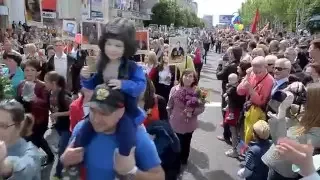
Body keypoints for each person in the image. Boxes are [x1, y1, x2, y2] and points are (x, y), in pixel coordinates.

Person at [61, 84, 164, 180]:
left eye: (104, 113)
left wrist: (132, 172)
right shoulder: (81, 128)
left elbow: (159, 176)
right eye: (92, 110)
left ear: (120, 112)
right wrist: (64, 159)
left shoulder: (137, 136)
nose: (96, 119)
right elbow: (68, 157)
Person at [78, 17, 146, 158]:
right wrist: (85, 77)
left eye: (118, 46)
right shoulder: (100, 63)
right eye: (109, 44)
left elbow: (140, 85)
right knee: (84, 129)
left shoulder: (132, 67)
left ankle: (124, 162)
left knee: (127, 133)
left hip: (123, 108)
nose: (112, 49)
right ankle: (75, 157)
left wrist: (123, 84)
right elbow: (92, 84)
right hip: (101, 105)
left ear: (126, 47)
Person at [0, 100, 41, 180]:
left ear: (21, 125)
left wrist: (4, 164)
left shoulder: (31, 153)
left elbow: (25, 168)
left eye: (3, 125)